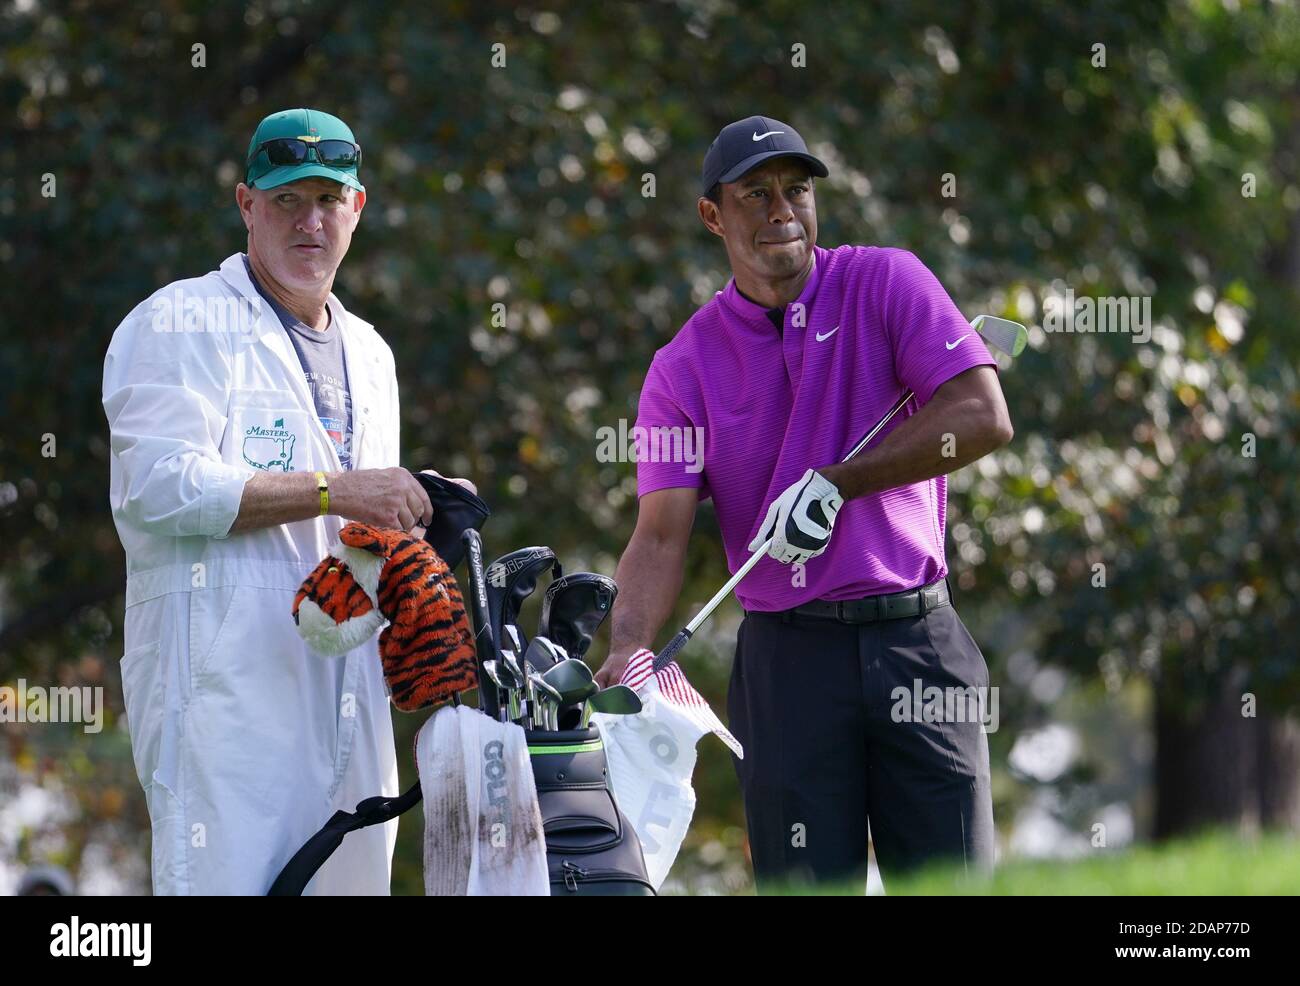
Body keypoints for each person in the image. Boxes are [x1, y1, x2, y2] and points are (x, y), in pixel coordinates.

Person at [595, 115, 1011, 890]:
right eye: (755, 194)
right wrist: (626, 649)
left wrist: (838, 480)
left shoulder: (887, 281)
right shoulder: (680, 369)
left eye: (796, 190)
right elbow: (658, 537)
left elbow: (982, 415)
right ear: (712, 216)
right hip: (789, 664)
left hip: (918, 640)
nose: (781, 209)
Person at [102, 107, 472, 894]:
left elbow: (355, 533)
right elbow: (156, 489)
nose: (310, 222)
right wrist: (335, 488)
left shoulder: (372, 352)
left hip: (348, 693)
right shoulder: (178, 321)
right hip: (223, 707)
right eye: (284, 201)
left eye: (328, 200)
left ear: (358, 207)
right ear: (245, 205)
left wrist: (414, 522)